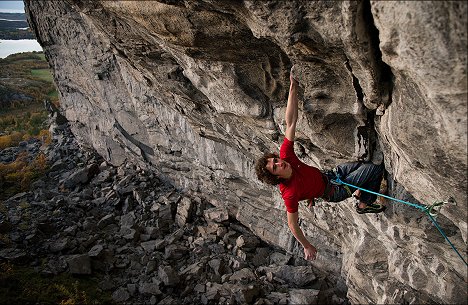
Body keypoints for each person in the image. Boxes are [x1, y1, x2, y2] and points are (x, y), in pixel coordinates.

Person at [255, 70, 385, 261]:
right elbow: (293, 225)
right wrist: (307, 246)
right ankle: (365, 203)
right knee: (374, 169)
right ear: (275, 177)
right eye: (275, 167)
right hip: (334, 191)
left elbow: (290, 122)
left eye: (274, 160)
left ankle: (360, 192)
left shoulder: (287, 156)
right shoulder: (289, 193)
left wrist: (293, 87)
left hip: (332, 175)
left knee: (362, 164)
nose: (278, 163)